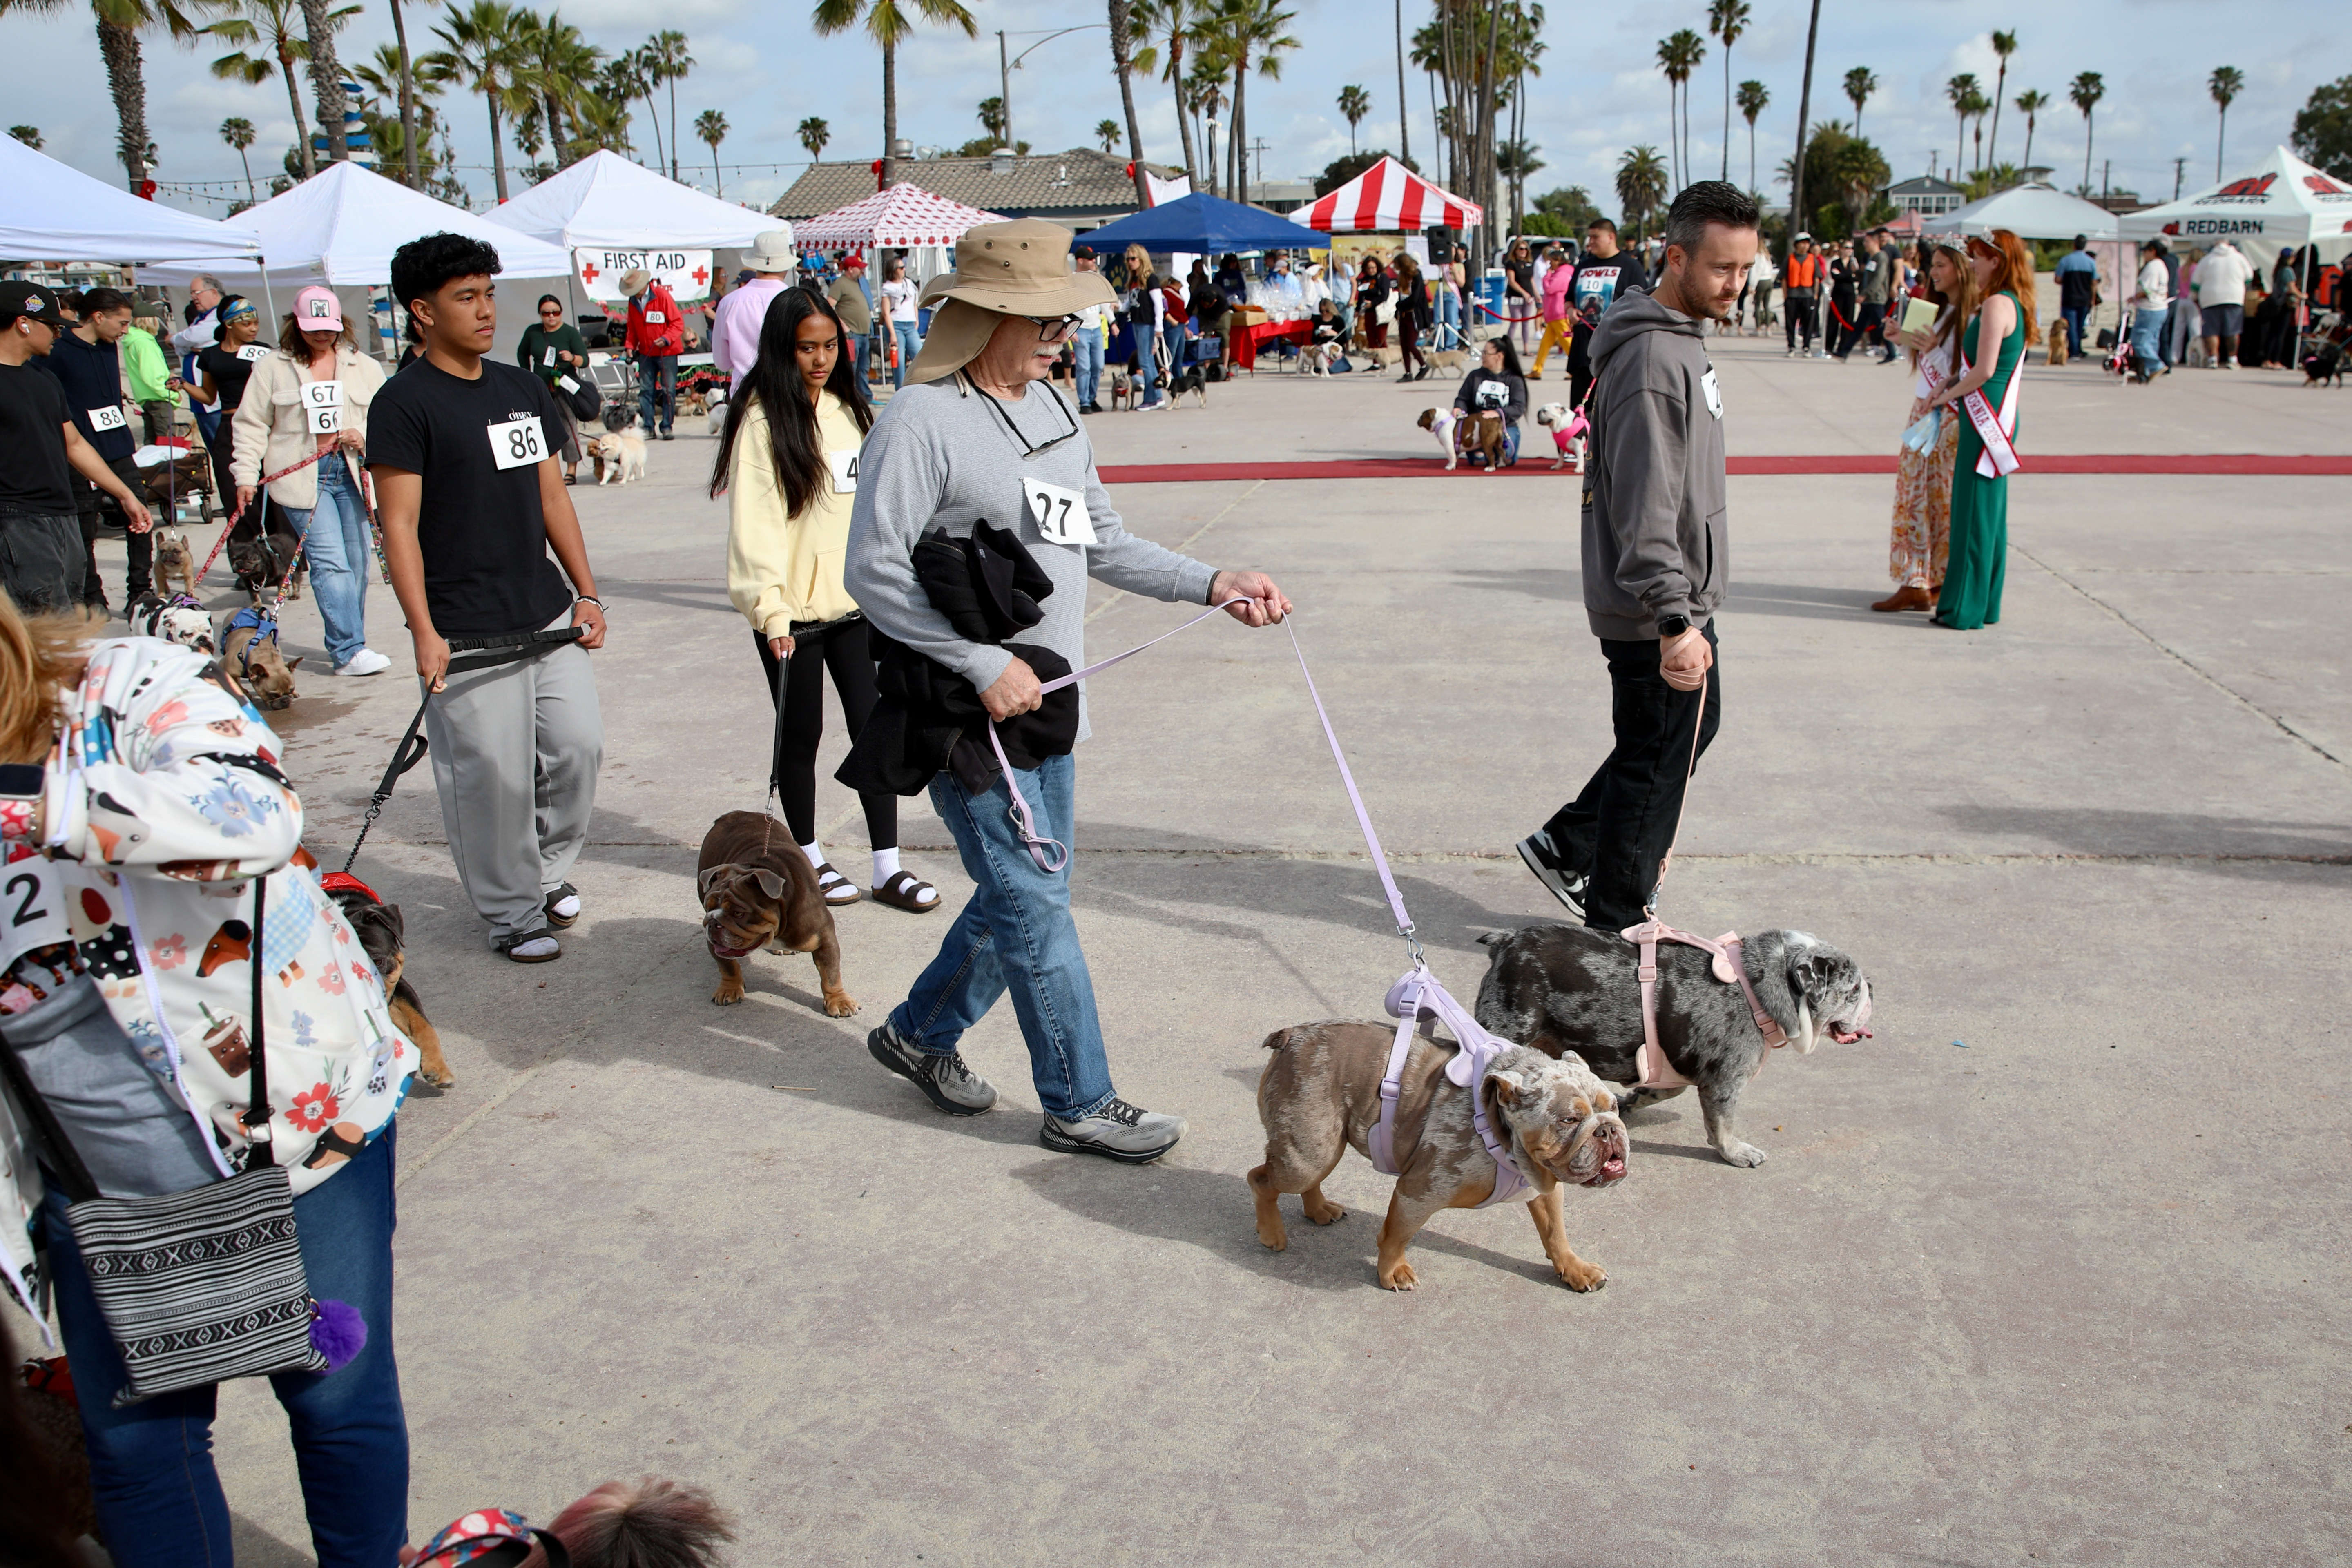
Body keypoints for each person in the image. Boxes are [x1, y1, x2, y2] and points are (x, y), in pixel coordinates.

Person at [843, 218, 1290, 1164]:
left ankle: (918, 1034)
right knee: (1037, 903)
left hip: (1048, 701)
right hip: (963, 710)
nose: (1062, 336)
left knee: (1028, 890)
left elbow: (1103, 540)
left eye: (1064, 320)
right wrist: (975, 663)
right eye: (1043, 320)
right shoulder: (918, 422)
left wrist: (1212, 580)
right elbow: (872, 574)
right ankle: (1078, 1099)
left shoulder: (1054, 410)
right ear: (981, 317)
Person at [0, 589, 416, 1567]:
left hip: (299, 1125)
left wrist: (36, 801)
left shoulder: (123, 681)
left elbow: (256, 814)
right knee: (142, 1440)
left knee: (336, 1396)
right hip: (96, 1166)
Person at [1515, 181, 1759, 929]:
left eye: (1746, 269)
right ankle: (1617, 924)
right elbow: (1645, 501)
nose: (1736, 285)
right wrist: (1672, 618)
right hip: (1659, 601)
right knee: (1656, 758)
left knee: (1682, 729)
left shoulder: (1680, 337)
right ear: (1675, 256)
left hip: (1676, 590)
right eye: (1722, 269)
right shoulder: (1654, 357)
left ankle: (1571, 840)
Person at [368, 232, 608, 962]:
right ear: (422, 311)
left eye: (487, 293)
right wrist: (423, 630)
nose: (484, 310)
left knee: (577, 749)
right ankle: (512, 911)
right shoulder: (402, 404)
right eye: (464, 297)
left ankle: (542, 872)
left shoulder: (517, 386)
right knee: (492, 779)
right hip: (465, 628)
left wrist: (587, 593)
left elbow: (550, 496)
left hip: (543, 612)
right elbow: (398, 526)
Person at [714, 287, 939, 914]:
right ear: (782, 350)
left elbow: (877, 506)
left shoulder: (848, 410)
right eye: (806, 347)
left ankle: (886, 866)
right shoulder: (760, 420)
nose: (820, 358)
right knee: (802, 731)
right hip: (792, 615)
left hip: (856, 606)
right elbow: (754, 526)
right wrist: (770, 609)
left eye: (829, 346)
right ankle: (807, 856)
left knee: (873, 726)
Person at [232, 287, 391, 678]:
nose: (322, 335)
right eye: (312, 328)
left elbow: (390, 418)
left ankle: (353, 641)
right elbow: (251, 424)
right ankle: (348, 650)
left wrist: (362, 433)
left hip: (353, 472)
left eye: (330, 328)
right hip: (302, 476)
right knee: (330, 563)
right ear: (296, 325)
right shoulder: (272, 366)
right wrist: (246, 475)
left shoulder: (365, 367)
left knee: (356, 561)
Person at [0, 281, 149, 610]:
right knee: (41, 627)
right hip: (16, 521)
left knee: (67, 618)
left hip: (61, 514)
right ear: (24, 324)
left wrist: (124, 494)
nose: (58, 333)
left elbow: (75, 443)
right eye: (52, 326)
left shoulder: (44, 380)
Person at [1925, 229, 2037, 631]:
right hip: (1992, 413)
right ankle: (1984, 602)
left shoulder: (1994, 304)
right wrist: (1950, 381)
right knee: (1989, 513)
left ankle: (1964, 608)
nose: (1971, 264)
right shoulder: (2013, 303)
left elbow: (1985, 370)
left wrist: (1947, 394)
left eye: (1978, 257)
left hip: (1985, 416)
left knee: (1973, 513)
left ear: (1997, 261)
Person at [1873, 238, 1975, 613]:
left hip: (1948, 414)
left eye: (1943, 265)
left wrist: (1931, 347)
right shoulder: (1934, 309)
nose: (1934, 272)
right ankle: (1917, 578)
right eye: (1933, 264)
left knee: (1937, 498)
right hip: (1925, 409)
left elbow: (1965, 371)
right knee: (1914, 493)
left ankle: (1934, 578)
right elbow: (1916, 356)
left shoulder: (1971, 315)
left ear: (1962, 270)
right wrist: (1898, 337)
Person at [1565, 219, 1648, 415]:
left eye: (1595, 237)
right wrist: (1570, 310)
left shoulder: (1631, 267)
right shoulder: (1583, 266)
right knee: (1579, 416)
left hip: (1616, 354)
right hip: (1583, 353)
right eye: (1589, 237)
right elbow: (1569, 298)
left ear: (1611, 237)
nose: (1590, 242)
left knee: (1612, 416)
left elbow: (1643, 305)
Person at [192, 295, 264, 501]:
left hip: (261, 424)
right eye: (247, 324)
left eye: (256, 323)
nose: (254, 329)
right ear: (229, 324)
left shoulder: (264, 351)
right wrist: (184, 385)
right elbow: (208, 396)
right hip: (229, 426)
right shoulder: (210, 355)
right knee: (231, 488)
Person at [517, 294, 589, 485]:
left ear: (561, 313)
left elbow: (585, 361)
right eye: (546, 313)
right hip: (539, 386)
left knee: (568, 427)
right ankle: (544, 472)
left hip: (564, 386)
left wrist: (572, 358)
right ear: (540, 314)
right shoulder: (533, 332)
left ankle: (572, 469)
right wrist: (527, 375)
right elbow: (522, 352)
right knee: (538, 429)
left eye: (555, 313)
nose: (551, 317)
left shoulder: (569, 333)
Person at [712, 226, 798, 382]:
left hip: (745, 393)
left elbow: (722, 363)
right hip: (788, 390)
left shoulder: (729, 303)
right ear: (786, 264)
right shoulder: (798, 302)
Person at [620, 265, 684, 439]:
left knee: (668, 390)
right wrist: (629, 346)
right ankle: (649, 427)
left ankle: (667, 426)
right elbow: (632, 328)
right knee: (645, 390)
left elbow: (677, 323)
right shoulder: (633, 302)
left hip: (667, 352)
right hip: (646, 353)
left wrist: (666, 338)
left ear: (644, 285)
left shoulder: (662, 296)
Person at [1450, 335, 1528, 466]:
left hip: (1504, 426)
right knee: (1479, 461)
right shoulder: (1475, 376)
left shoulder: (1514, 380)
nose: (1483, 356)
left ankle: (1494, 452)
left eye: (1486, 353)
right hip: (1477, 427)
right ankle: (1483, 450)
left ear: (1500, 356)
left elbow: (1518, 407)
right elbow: (1463, 398)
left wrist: (1498, 413)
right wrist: (1459, 408)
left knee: (1508, 458)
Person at [169, 274, 226, 450]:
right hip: (199, 399)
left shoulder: (220, 314)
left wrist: (176, 338)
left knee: (222, 449)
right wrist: (181, 341)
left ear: (214, 293)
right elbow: (184, 345)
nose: (193, 298)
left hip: (214, 402)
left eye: (197, 293)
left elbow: (193, 336)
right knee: (213, 448)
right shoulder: (201, 317)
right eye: (191, 294)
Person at [123, 312, 181, 445]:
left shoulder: (134, 339)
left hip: (146, 397)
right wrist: (172, 395)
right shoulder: (144, 342)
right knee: (167, 445)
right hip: (159, 397)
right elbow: (152, 376)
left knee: (152, 443)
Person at [2193, 239, 2252, 369]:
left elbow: (2195, 283)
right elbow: (2249, 277)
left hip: (2210, 298)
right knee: (2233, 330)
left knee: (2211, 331)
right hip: (2234, 298)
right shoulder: (2239, 258)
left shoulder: (2207, 260)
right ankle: (2232, 359)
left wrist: (2195, 297)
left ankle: (2213, 359)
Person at [1070, 248, 1110, 413]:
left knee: (1098, 366)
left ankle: (1092, 398)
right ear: (1080, 261)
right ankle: (1084, 402)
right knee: (1084, 367)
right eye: (1091, 259)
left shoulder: (1097, 279)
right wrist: (1070, 329)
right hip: (1081, 329)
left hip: (1096, 328)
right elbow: (1065, 305)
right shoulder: (1071, 280)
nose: (1094, 262)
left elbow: (1105, 303)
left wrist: (1113, 322)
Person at [826, 252, 874, 386]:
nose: (862, 271)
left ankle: (865, 396)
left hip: (863, 333)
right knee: (851, 367)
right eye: (859, 268)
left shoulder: (858, 283)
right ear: (851, 269)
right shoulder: (841, 283)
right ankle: (849, 395)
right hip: (851, 334)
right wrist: (843, 326)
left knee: (863, 368)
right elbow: (828, 306)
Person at [1529, 243, 1575, 380]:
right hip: (1553, 314)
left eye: (1552, 261)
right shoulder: (1562, 273)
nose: (1550, 264)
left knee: (1567, 343)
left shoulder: (1563, 274)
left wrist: (1547, 276)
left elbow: (1549, 289)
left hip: (1559, 313)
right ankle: (1537, 370)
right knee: (1545, 344)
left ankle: (1578, 369)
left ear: (1559, 261)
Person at [2129, 239, 2170, 384]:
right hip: (2160, 308)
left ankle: (2155, 365)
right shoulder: (2161, 266)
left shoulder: (2153, 267)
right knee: (2152, 340)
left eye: (2146, 252)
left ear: (2153, 251)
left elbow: (2147, 290)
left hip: (2150, 308)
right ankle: (2144, 371)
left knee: (2139, 340)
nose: (2144, 255)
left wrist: (2133, 298)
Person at [880, 254, 922, 390]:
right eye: (901, 267)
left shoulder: (909, 284)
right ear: (894, 270)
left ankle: (919, 387)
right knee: (899, 361)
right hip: (896, 324)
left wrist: (916, 319)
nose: (904, 269)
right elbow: (886, 312)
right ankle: (900, 390)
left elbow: (914, 303)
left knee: (919, 355)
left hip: (910, 324)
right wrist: (892, 333)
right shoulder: (888, 287)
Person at [2054, 235, 2099, 359]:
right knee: (2080, 326)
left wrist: (2068, 282)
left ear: (2074, 245)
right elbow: (2094, 282)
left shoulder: (2066, 260)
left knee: (2071, 326)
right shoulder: (2091, 262)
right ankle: (2078, 348)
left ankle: (2074, 351)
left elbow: (2058, 279)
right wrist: (2093, 298)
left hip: (2069, 297)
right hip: (2084, 298)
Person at [1391, 251, 1432, 382]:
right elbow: (1401, 294)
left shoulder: (1416, 275)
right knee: (1403, 344)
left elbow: (1416, 298)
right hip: (1404, 315)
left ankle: (1424, 365)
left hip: (1414, 314)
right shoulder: (1402, 276)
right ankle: (1408, 372)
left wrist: (1400, 305)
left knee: (1411, 344)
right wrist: (1398, 310)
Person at [1783, 232, 1823, 357]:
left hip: (1808, 295)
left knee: (1808, 322)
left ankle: (1807, 346)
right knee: (1790, 323)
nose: (1805, 246)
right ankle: (1791, 347)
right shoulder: (1790, 259)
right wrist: (1785, 295)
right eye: (1802, 243)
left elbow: (1817, 278)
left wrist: (1815, 294)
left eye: (1807, 244)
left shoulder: (1813, 259)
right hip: (1793, 295)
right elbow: (1784, 278)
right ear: (1797, 245)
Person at [1504, 236, 1540, 349]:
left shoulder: (1529, 263)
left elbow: (1531, 280)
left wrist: (1537, 295)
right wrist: (1524, 293)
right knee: (1515, 321)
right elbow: (1512, 282)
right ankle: (1507, 347)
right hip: (1516, 296)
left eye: (1525, 249)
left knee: (1526, 323)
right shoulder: (1511, 264)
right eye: (1521, 249)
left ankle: (1526, 348)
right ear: (1516, 250)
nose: (1523, 251)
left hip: (1529, 297)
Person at [1353, 254, 1390, 350]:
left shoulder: (1382, 277)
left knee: (1380, 338)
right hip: (1368, 311)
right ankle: (1376, 363)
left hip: (1380, 311)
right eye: (1369, 268)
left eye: (1373, 268)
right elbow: (1361, 295)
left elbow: (1384, 295)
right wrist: (1357, 309)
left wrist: (1373, 303)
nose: (1371, 270)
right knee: (1371, 337)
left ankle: (1384, 360)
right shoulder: (1365, 279)